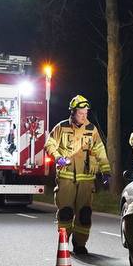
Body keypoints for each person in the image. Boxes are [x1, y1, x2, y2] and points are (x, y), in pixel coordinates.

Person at [45, 94, 110, 254]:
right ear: (73, 112)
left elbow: (100, 150)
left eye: (86, 113)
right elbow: (49, 143)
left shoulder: (91, 129)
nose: (84, 116)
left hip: (86, 180)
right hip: (66, 178)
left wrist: (106, 170)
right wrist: (58, 157)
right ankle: (63, 243)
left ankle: (80, 244)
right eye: (80, 113)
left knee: (84, 214)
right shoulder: (61, 127)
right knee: (65, 213)